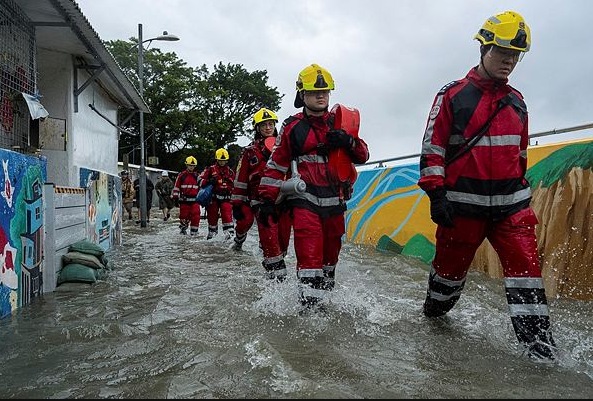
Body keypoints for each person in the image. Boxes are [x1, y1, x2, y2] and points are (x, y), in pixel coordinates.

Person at [417, 11, 556, 360]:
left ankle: (541, 354)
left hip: (512, 208)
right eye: (502, 53)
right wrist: (436, 193)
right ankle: (433, 321)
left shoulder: (518, 102)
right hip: (462, 209)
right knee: (446, 281)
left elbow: (520, 154)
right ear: (484, 48)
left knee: (527, 275)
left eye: (515, 56)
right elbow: (432, 147)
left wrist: (521, 200)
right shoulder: (452, 96)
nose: (508, 61)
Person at [258, 63, 369, 306]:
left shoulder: (340, 124)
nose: (321, 96)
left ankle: (323, 317)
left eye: (325, 91)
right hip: (304, 202)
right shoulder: (292, 126)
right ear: (302, 95)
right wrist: (267, 200)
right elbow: (276, 164)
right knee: (309, 262)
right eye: (314, 91)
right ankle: (310, 320)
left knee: (329, 265)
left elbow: (363, 155)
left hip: (335, 203)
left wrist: (349, 142)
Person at [231, 108, 291, 280]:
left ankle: (272, 262)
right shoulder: (249, 151)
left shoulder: (285, 148)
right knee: (270, 240)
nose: (267, 127)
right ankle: (275, 279)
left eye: (271, 124)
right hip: (260, 202)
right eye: (264, 125)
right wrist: (238, 204)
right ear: (257, 128)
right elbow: (241, 178)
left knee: (283, 241)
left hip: (283, 200)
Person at [200, 148, 236, 240]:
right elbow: (199, 180)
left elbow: (235, 185)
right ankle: (212, 235)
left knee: (227, 215)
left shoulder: (230, 171)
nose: (222, 162)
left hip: (226, 198)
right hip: (213, 198)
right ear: (217, 159)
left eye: (224, 160)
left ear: (227, 160)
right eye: (220, 160)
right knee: (212, 217)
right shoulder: (210, 169)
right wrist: (209, 181)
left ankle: (230, 236)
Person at [171, 156, 201, 235]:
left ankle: (194, 232)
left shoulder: (197, 176)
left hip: (195, 200)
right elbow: (176, 187)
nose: (191, 167)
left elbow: (202, 187)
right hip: (184, 201)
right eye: (190, 165)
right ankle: (183, 230)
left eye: (193, 166)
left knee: (196, 215)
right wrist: (175, 197)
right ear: (186, 165)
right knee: (183, 217)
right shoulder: (181, 175)